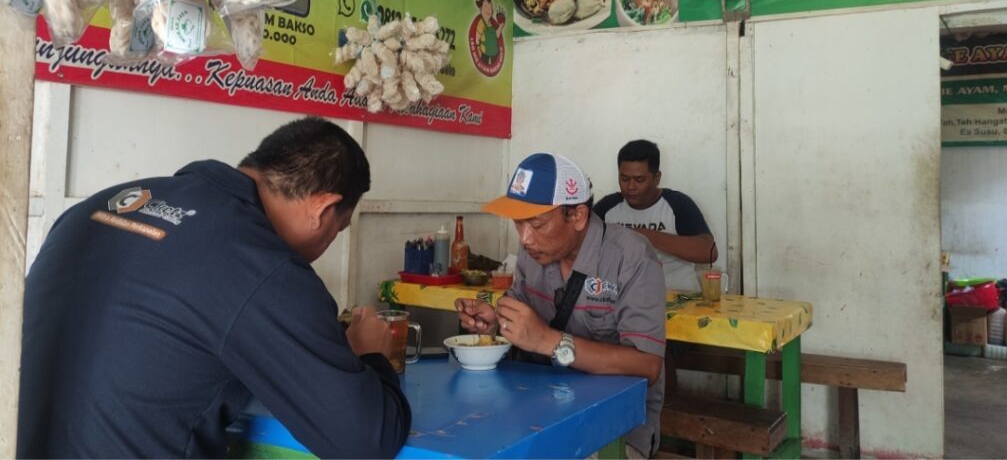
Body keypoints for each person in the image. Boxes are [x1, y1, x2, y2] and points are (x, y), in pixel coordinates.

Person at [17, 116, 411, 459]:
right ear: (323, 208)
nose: (328, 244)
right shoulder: (265, 264)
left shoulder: (106, 202)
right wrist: (372, 355)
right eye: (337, 230)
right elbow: (365, 443)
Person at [455, 153, 666, 458]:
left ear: (577, 216)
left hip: (613, 426)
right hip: (536, 410)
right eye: (518, 224)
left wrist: (549, 341)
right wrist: (497, 322)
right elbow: (520, 311)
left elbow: (648, 366)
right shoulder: (534, 251)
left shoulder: (631, 258)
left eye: (537, 224)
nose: (525, 238)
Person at [594, 139, 717, 291]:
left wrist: (645, 236)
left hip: (677, 298)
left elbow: (709, 252)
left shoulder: (677, 204)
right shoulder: (607, 207)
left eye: (640, 180)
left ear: (657, 178)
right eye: (624, 178)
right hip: (624, 299)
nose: (631, 186)